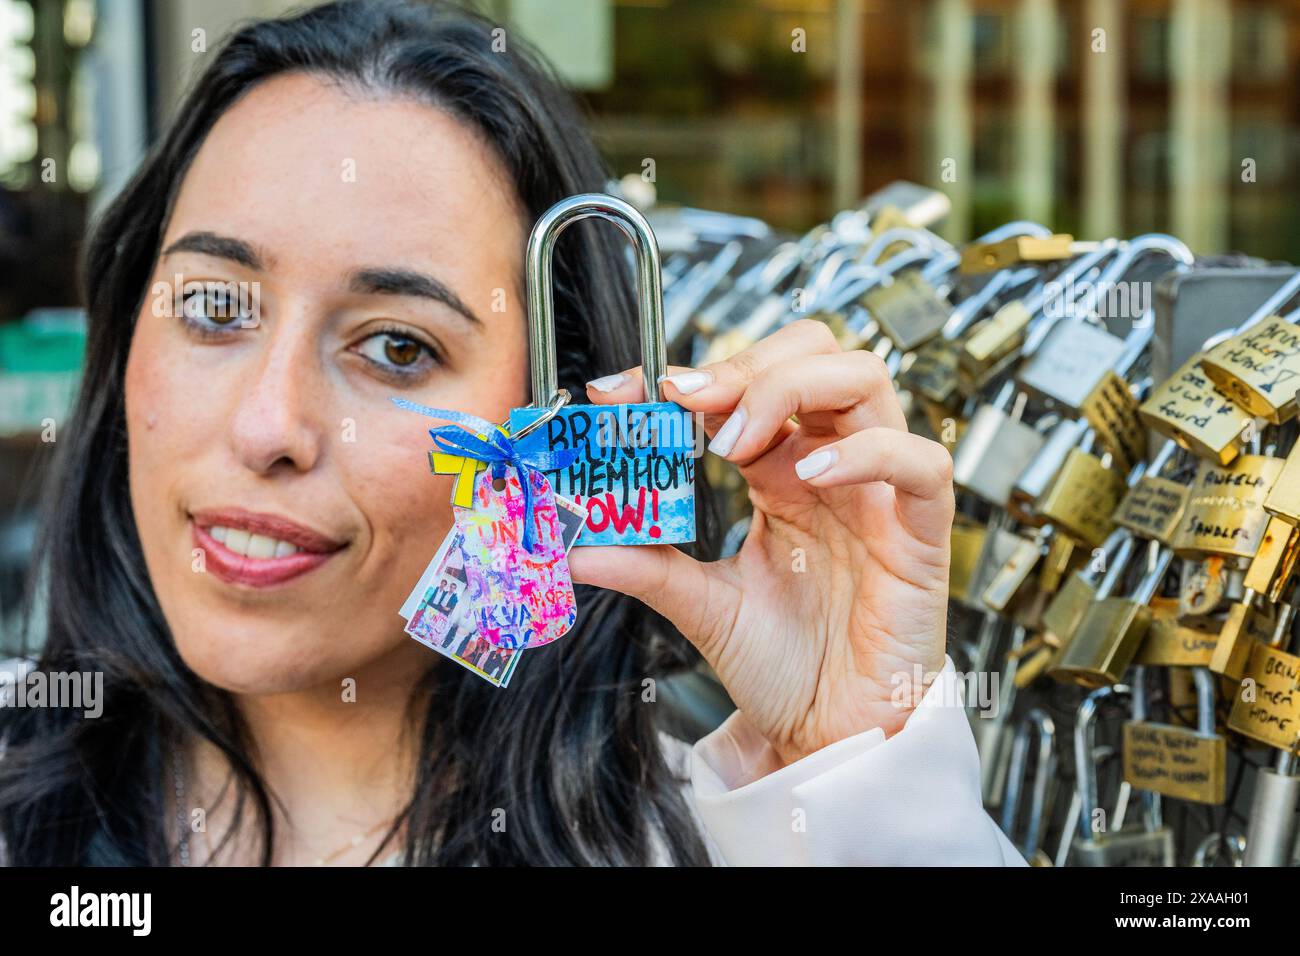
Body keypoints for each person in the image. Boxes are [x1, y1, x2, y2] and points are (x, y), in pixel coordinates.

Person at [0, 0, 1019, 866]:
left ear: (555, 413)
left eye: (397, 346)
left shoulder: (740, 836)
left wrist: (858, 768)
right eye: (215, 306)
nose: (269, 424)